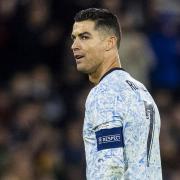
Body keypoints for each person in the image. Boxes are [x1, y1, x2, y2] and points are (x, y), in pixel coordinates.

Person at [71, 8, 162, 180]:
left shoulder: (105, 93)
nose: (74, 45)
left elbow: (110, 168)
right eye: (74, 38)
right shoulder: (142, 92)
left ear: (109, 43)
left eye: (84, 37)